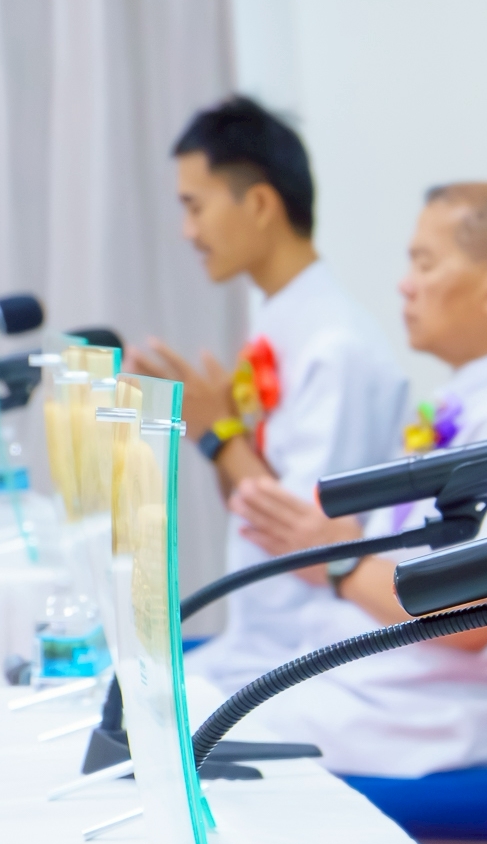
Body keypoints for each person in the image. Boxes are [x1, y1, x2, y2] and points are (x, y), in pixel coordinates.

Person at [223, 183, 487, 780]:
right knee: (163, 705)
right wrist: (332, 545)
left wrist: (337, 563)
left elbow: (475, 613)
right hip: (369, 686)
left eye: (425, 263)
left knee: (182, 738)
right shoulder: (475, 394)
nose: (405, 284)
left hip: (427, 714)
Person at [133, 96, 409, 692]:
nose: (188, 232)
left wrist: (218, 431)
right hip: (263, 636)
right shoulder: (283, 320)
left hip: (314, 647)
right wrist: (218, 437)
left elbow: (300, 531)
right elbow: (259, 488)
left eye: (195, 207)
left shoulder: (334, 344)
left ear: (259, 204)